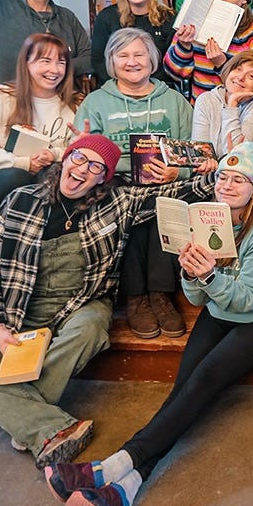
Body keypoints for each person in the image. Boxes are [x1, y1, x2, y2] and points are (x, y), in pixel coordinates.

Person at [44, 143, 253, 506]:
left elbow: (251, 299)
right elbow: (198, 298)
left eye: (239, 180)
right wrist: (191, 273)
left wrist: (209, 276)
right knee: (184, 387)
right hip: (222, 307)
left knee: (204, 380)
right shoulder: (208, 220)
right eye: (223, 177)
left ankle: (108, 468)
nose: (227, 185)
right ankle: (126, 489)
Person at [0, 132, 208, 472]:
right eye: (79, 158)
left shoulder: (117, 202)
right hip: (18, 308)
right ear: (65, 159)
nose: (83, 169)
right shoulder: (19, 200)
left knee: (90, 330)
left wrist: (219, 174)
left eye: (95, 167)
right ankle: (51, 427)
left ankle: (28, 421)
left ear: (103, 178)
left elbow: (177, 193)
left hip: (82, 304)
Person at [76, 27, 197, 339]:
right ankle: (135, 297)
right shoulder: (95, 102)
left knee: (162, 203)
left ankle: (161, 294)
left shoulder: (174, 101)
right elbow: (84, 154)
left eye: (139, 54)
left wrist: (177, 173)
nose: (132, 61)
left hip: (165, 183)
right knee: (128, 205)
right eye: (123, 55)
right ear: (111, 61)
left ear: (152, 59)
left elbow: (193, 152)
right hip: (116, 185)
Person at [0, 33, 77, 212]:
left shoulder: (74, 104)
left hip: (46, 175)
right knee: (19, 179)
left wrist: (53, 154)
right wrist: (25, 163)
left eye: (61, 63)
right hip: (1, 175)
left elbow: (77, 150)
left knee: (54, 179)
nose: (54, 70)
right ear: (26, 63)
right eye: (45, 61)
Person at [163, 0, 253, 100]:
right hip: (200, 105)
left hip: (237, 106)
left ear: (244, 0)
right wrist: (183, 46)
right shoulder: (195, 23)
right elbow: (173, 72)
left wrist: (222, 63)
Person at [191, 50, 253, 199]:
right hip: (215, 177)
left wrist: (232, 104)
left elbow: (236, 155)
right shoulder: (206, 100)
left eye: (251, 76)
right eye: (238, 69)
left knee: (228, 178)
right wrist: (206, 163)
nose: (240, 77)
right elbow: (201, 153)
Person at [90, 0, 175, 84]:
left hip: (158, 88)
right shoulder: (106, 17)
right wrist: (124, 86)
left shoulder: (169, 18)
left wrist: (146, 87)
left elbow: (172, 64)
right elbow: (99, 61)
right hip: (117, 88)